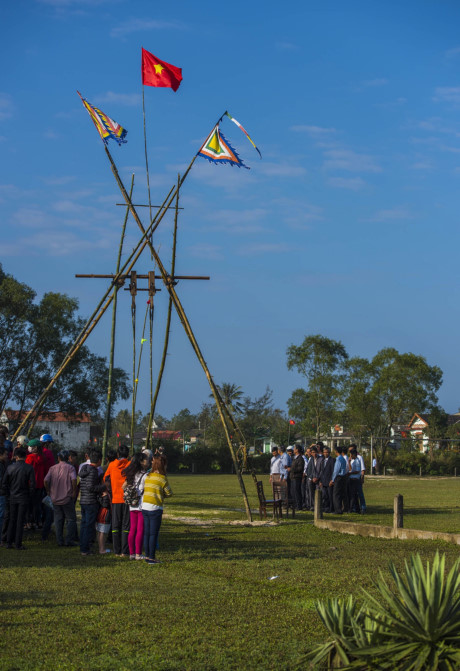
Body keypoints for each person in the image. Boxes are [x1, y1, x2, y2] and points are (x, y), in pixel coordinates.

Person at [2, 446, 35, 549]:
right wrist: (29, 495)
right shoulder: (29, 468)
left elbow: (4, 483)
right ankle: (18, 543)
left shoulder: (10, 467)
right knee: (20, 520)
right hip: (23, 496)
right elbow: (33, 485)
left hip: (12, 496)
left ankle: (9, 542)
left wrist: (8, 494)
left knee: (12, 519)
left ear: (16, 456)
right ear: (25, 456)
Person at [141, 454, 172, 564]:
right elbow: (169, 493)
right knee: (153, 534)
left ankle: (147, 555)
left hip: (145, 507)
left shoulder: (148, 476)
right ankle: (152, 557)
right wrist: (161, 494)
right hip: (155, 508)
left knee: (147, 533)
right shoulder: (162, 479)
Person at [44, 450, 77, 546]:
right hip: (67, 497)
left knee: (58, 520)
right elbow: (74, 480)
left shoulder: (52, 468)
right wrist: (74, 491)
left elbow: (45, 480)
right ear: (68, 458)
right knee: (71, 519)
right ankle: (69, 540)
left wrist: (48, 491)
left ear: (58, 458)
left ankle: (59, 541)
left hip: (55, 498)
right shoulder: (70, 468)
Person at [122, 451, 150, 560]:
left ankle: (132, 553)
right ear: (142, 462)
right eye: (146, 459)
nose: (148, 461)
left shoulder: (131, 474)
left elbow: (123, 487)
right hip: (142, 504)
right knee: (140, 529)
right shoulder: (145, 475)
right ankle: (138, 553)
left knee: (132, 528)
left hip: (132, 504)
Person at [104, 444, 130, 557]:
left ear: (118, 454)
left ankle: (116, 551)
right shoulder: (130, 464)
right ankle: (125, 551)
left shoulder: (112, 465)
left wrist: (109, 489)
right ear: (128, 455)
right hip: (127, 499)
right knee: (126, 526)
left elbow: (105, 478)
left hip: (115, 499)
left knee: (115, 526)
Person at [79, 449, 102, 556]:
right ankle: (85, 548)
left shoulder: (84, 468)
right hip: (91, 501)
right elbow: (91, 487)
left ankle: (83, 545)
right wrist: (103, 486)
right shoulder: (93, 471)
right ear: (99, 460)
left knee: (84, 524)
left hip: (83, 499)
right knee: (89, 525)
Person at [25, 438, 47, 529]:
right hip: (40, 484)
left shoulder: (30, 458)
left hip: (30, 484)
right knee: (37, 504)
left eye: (30, 446)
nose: (29, 448)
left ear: (35, 448)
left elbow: (26, 470)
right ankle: (37, 521)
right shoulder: (43, 457)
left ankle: (28, 522)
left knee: (29, 504)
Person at [330, 446, 347, 514]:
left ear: (336, 451)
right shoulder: (343, 459)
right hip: (343, 477)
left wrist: (333, 479)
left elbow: (336, 470)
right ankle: (342, 508)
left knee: (336, 494)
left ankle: (337, 510)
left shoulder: (338, 459)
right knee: (341, 493)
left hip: (338, 477)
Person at [319, 446, 335, 513]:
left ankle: (331, 508)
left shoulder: (332, 460)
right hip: (323, 481)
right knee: (325, 495)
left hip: (329, 481)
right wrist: (320, 481)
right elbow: (321, 471)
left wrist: (332, 480)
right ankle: (326, 507)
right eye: (324, 452)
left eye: (327, 452)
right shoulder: (322, 460)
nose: (326, 454)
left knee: (330, 495)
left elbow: (333, 471)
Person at [290, 445, 304, 510]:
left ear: (297, 450)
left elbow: (300, 468)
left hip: (297, 477)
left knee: (297, 491)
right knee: (293, 492)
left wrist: (292, 469)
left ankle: (299, 505)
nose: (293, 450)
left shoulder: (300, 459)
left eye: (295, 449)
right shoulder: (294, 458)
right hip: (293, 477)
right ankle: (295, 504)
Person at [309, 446, 324, 511]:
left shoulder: (321, 459)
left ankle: (319, 506)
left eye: (315, 452)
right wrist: (312, 478)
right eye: (312, 452)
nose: (314, 454)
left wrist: (317, 478)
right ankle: (312, 505)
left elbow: (322, 470)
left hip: (319, 478)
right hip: (312, 478)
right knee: (311, 492)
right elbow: (309, 469)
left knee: (319, 492)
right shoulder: (311, 459)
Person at [348, 448, 362, 513]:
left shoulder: (357, 461)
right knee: (354, 495)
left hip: (355, 479)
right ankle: (357, 508)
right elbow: (350, 468)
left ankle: (350, 508)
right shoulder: (352, 461)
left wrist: (351, 473)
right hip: (351, 479)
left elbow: (357, 471)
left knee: (353, 495)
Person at [0, 446, 9, 543]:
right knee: (1, 516)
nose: (7, 456)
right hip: (1, 493)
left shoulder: (3, 464)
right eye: (5, 454)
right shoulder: (1, 465)